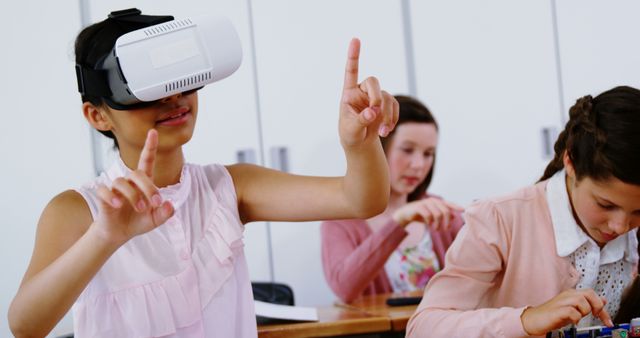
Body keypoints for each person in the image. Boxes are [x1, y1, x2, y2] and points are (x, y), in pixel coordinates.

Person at [7, 9, 399, 338]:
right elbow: (26, 325)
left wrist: (360, 142)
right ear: (98, 115)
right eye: (147, 91)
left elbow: (361, 200)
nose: (173, 98)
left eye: (182, 82)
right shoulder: (78, 210)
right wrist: (104, 237)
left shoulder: (229, 187)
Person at [406, 86, 640, 337]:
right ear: (570, 162)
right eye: (605, 205)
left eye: (638, 211)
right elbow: (423, 328)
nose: (620, 226)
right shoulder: (500, 219)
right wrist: (527, 319)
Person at [321, 95, 464, 303]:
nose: (418, 164)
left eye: (428, 153)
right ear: (378, 149)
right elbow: (344, 288)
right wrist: (398, 222)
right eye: (407, 150)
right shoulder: (340, 222)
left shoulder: (438, 210)